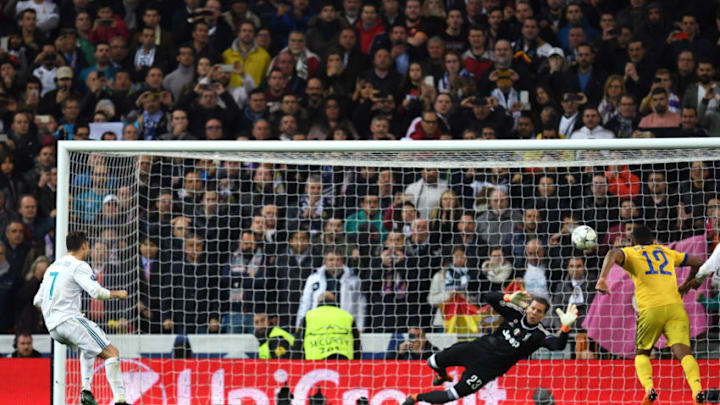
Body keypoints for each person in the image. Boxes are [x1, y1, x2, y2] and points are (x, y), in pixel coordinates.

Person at [402, 291, 577, 405]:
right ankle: (443, 375)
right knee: (432, 362)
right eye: (532, 308)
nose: (534, 313)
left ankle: (416, 398)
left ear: (543, 316)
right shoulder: (514, 314)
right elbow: (488, 298)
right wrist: (508, 297)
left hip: (487, 370)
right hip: (476, 349)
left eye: (539, 311)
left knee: (453, 395)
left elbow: (558, 345)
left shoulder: (539, 335)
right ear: (527, 307)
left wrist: (565, 328)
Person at [595, 225, 706, 405]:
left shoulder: (632, 252)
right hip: (676, 308)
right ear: (653, 240)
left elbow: (612, 254)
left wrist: (602, 278)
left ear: (633, 242)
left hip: (651, 309)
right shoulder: (666, 252)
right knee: (684, 353)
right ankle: (697, 390)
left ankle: (649, 389)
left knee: (642, 353)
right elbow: (699, 262)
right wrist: (688, 283)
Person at [32, 231, 130, 405]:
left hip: (53, 327)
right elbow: (97, 292)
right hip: (69, 320)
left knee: (88, 347)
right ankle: (120, 400)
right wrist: (118, 294)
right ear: (84, 246)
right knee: (112, 353)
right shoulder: (79, 265)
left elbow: (37, 301)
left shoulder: (52, 267)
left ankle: (86, 390)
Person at [292, 293, 362, 360]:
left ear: (318, 301)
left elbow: (298, 344)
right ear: (334, 301)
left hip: (315, 362)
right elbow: (357, 343)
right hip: (343, 361)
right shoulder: (347, 316)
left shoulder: (309, 316)